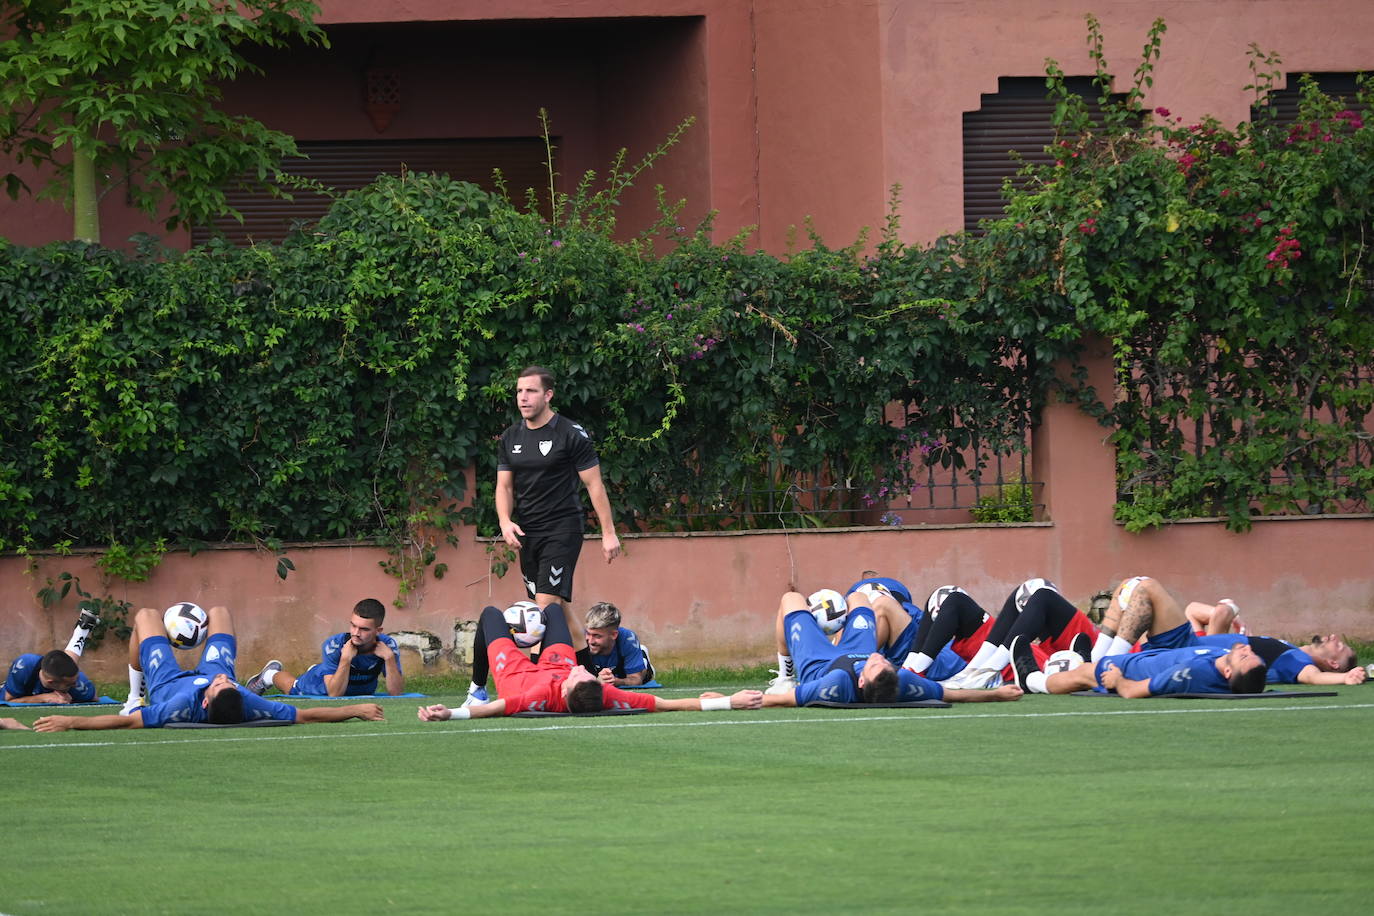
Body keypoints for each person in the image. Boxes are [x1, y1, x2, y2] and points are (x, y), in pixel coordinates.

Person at [32, 606, 384, 731]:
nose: (221, 680)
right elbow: (308, 717)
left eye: (218, 685)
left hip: (168, 680)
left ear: (204, 702)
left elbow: (121, 723)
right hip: (209, 674)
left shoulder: (175, 708)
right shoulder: (247, 701)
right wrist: (356, 709)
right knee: (219, 612)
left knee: (146, 617)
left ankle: (133, 694)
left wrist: (70, 721)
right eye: (227, 683)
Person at [419, 602, 760, 720]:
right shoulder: (604, 695)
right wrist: (730, 701)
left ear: (565, 693)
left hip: (518, 674)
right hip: (555, 665)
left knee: (491, 614)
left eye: (580, 675)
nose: (584, 668)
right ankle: (530, 629)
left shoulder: (534, 697)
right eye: (589, 675)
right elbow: (667, 703)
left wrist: (450, 712)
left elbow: (492, 709)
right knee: (552, 611)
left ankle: (475, 686)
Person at [496, 365, 621, 649]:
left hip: (562, 529)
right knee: (557, 608)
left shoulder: (570, 433)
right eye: (519, 391)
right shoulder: (510, 437)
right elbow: (504, 487)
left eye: (531, 391)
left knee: (540, 612)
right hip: (528, 532)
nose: (523, 398)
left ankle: (538, 680)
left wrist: (608, 532)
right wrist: (505, 521)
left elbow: (594, 485)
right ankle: (587, 673)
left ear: (548, 395)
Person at [761, 590, 1023, 708]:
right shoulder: (902, 683)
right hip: (856, 648)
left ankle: (784, 675)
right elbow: (952, 695)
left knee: (791, 599)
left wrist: (727, 701)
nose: (880, 657)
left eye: (876, 665)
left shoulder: (836, 684)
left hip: (818, 660)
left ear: (861, 681)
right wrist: (996, 695)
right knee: (858, 598)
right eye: (886, 663)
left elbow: (783, 700)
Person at [917, 579, 1098, 689]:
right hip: (1008, 650)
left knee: (953, 599)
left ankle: (915, 672)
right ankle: (913, 671)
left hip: (1023, 661)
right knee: (946, 595)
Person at [244, 598, 403, 697]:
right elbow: (334, 694)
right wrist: (346, 659)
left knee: (327, 671)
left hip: (355, 689)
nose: (356, 633)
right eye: (353, 625)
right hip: (321, 686)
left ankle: (320, 669)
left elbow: (396, 693)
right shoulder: (334, 645)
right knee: (294, 688)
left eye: (364, 629)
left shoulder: (388, 645)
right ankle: (269, 675)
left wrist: (389, 659)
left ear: (378, 631)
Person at [1014, 638, 1268, 697]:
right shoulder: (1225, 658)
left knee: (1084, 675)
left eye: (1245, 657)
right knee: (1085, 667)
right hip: (1150, 657)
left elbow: (1136, 691)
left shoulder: (1192, 674)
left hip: (1127, 669)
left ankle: (1032, 680)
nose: (1248, 650)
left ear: (1227, 672)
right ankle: (1081, 659)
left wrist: (1118, 681)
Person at [3, 609, 100, 704]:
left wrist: (72, 698)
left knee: (68, 662)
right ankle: (81, 631)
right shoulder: (24, 665)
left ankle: (82, 630)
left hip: (58, 676)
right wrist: (44, 698)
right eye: (70, 684)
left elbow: (94, 698)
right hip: (22, 684)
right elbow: (10, 700)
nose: (75, 684)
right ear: (50, 682)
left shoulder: (78, 683)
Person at [576, 601, 655, 687]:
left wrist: (615, 681)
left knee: (644, 677)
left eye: (597, 636)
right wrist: (596, 681)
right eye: (588, 633)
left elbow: (636, 679)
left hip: (620, 670)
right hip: (595, 671)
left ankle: (642, 658)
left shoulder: (628, 638)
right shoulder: (579, 639)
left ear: (614, 635)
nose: (590, 641)